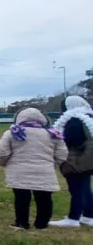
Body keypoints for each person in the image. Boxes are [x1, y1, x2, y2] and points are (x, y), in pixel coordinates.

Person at [0, 108, 67, 230]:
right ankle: (42, 223)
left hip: (19, 170)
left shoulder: (12, 133)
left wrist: (4, 163)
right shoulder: (52, 134)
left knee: (21, 197)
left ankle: (22, 222)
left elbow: (1, 152)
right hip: (44, 170)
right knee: (44, 197)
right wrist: (52, 164)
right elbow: (62, 154)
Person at [49, 96, 93, 227]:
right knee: (85, 188)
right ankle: (88, 216)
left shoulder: (74, 120)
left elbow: (73, 139)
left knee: (76, 189)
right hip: (87, 160)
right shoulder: (87, 117)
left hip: (76, 159)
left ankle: (73, 218)